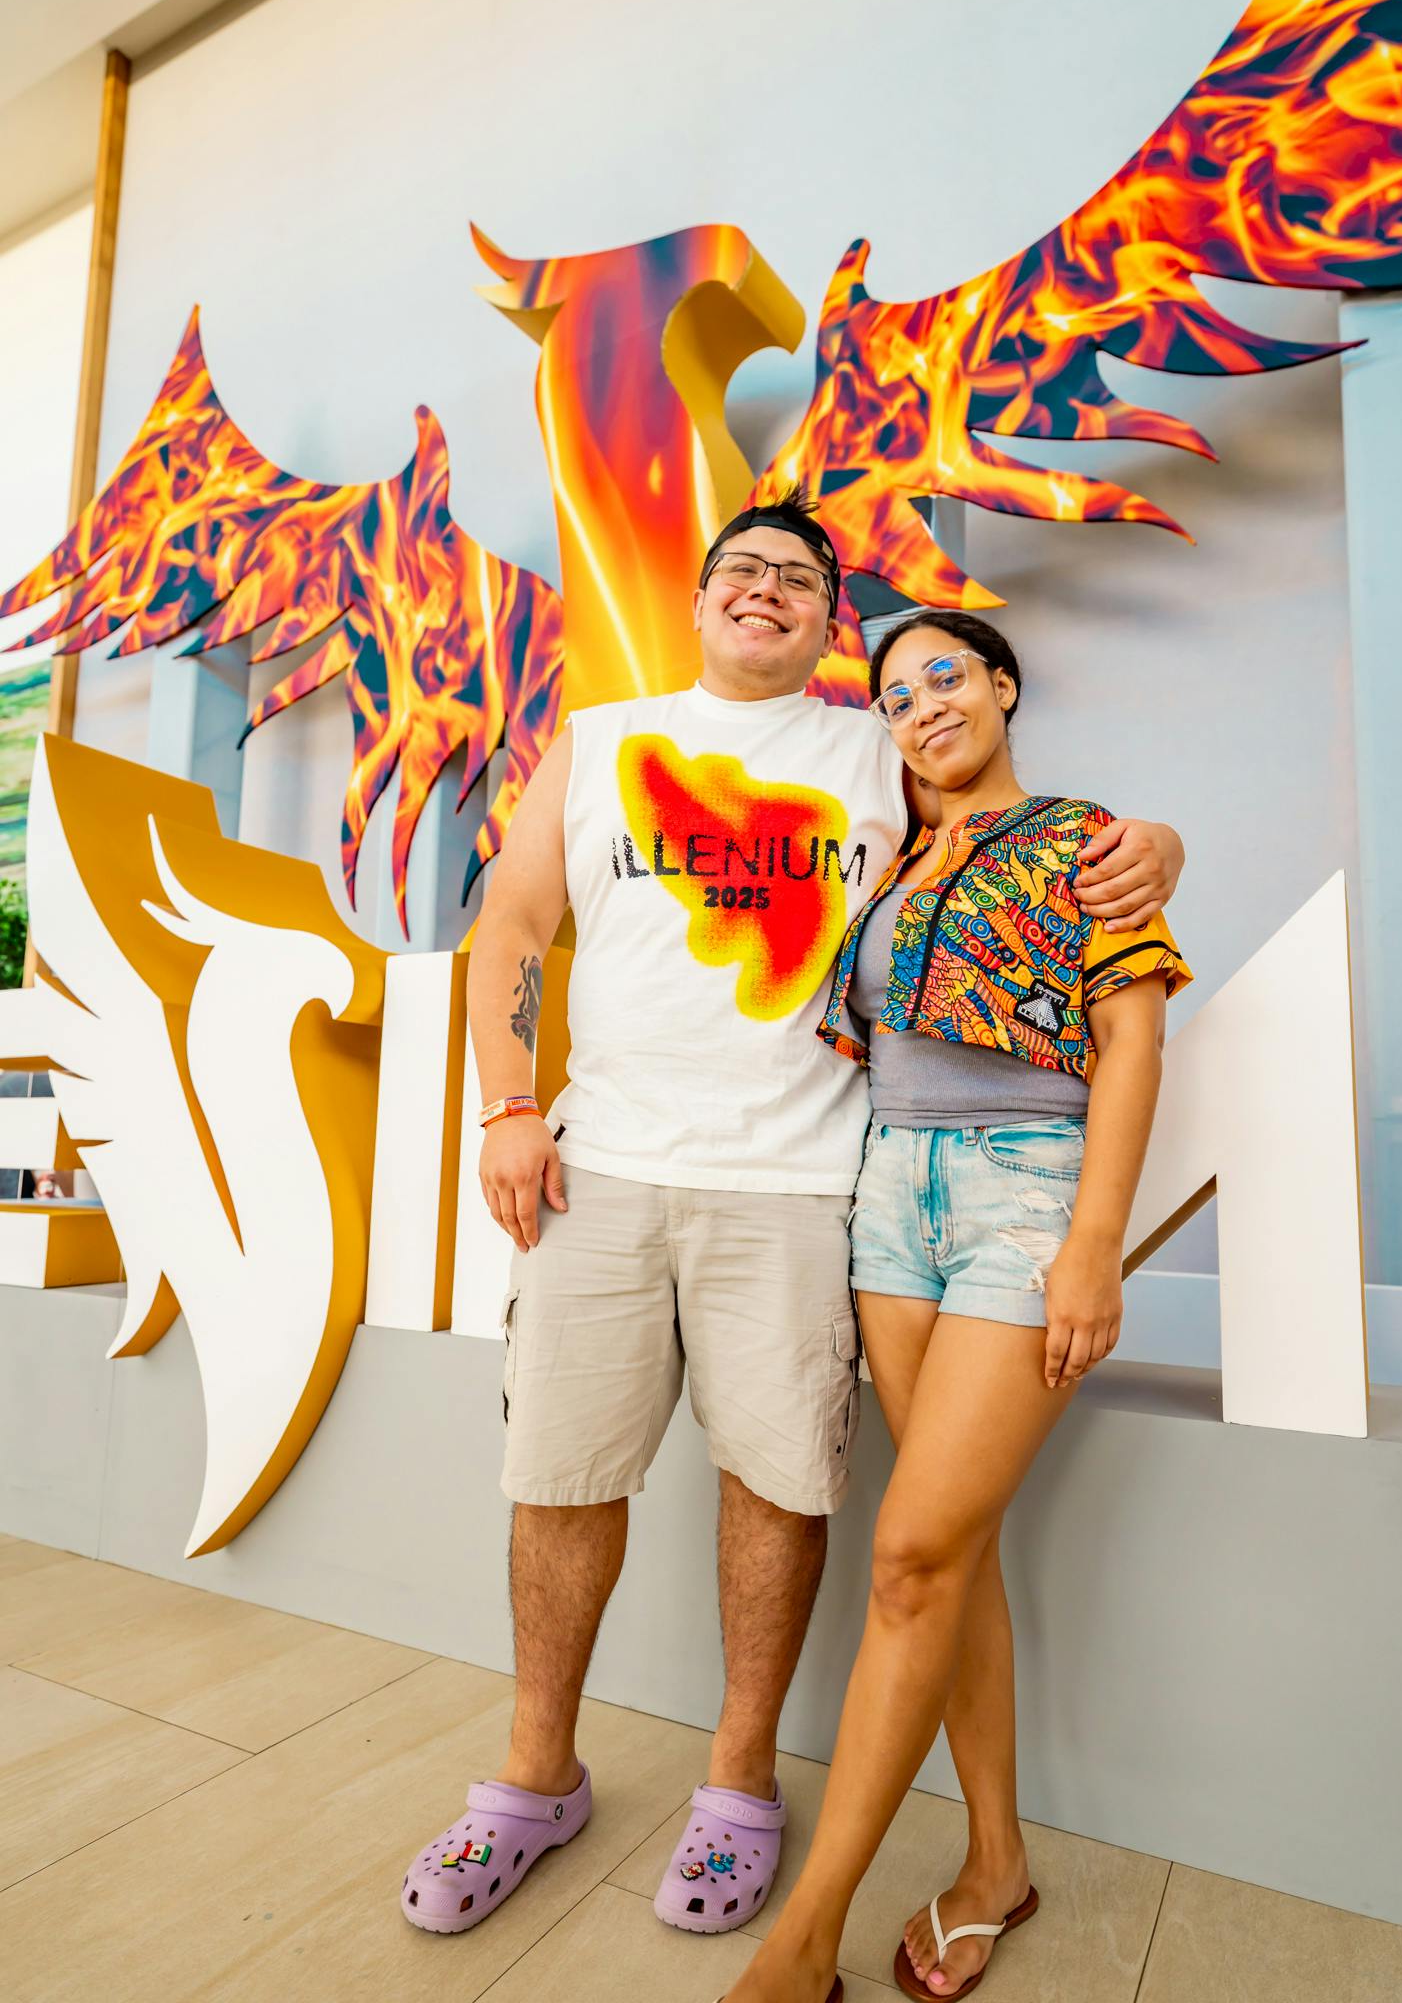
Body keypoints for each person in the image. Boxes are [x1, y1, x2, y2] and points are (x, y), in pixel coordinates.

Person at [399, 491, 1187, 1941]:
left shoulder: (874, 749)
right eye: (740, 569)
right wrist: (508, 1106)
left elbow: (1021, 834)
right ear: (701, 600)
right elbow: (510, 923)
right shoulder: (603, 739)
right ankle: (532, 1779)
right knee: (559, 1480)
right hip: (600, 1167)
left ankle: (740, 1785)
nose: (765, 588)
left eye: (799, 579)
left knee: (777, 1488)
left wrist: (1159, 845)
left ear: (830, 623)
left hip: (808, 1184)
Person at [721, 608, 1192, 2003]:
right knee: (954, 1554)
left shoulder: (1085, 837)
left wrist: (1094, 1243)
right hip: (890, 1207)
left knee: (912, 1557)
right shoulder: (889, 859)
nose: (922, 704)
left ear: (1002, 687)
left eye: (946, 677)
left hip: (1025, 1193)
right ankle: (997, 1863)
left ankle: (804, 1940)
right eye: (895, 694)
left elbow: (1131, 1036)